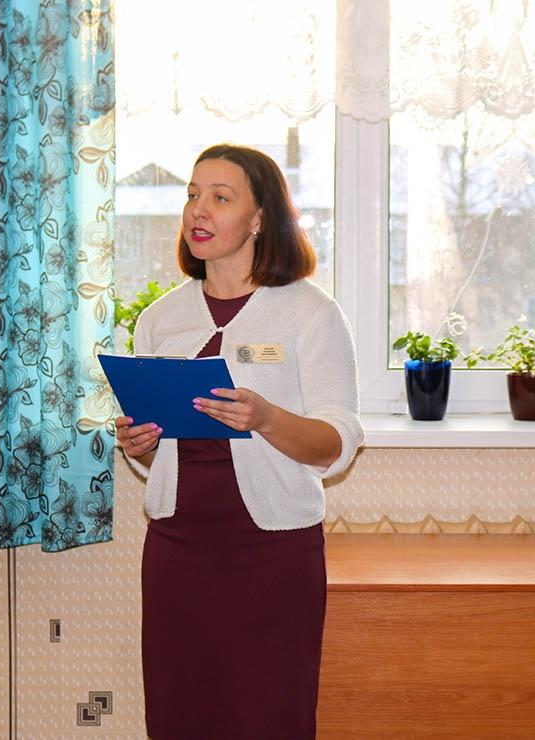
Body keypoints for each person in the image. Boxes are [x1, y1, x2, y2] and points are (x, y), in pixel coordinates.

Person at [115, 144, 364, 739]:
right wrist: (140, 444)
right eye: (192, 195)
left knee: (268, 716)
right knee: (179, 717)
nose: (198, 210)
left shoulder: (310, 313)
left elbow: (336, 444)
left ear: (259, 219)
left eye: (220, 198)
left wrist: (266, 417)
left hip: (271, 554)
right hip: (177, 550)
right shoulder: (160, 319)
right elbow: (159, 458)